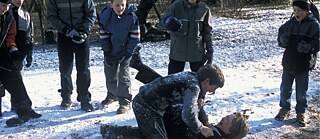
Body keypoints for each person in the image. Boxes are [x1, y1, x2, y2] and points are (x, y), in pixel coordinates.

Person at [129, 45, 248, 139]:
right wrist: (201, 127)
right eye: (214, 88)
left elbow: (165, 86)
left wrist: (205, 120)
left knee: (168, 86)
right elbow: (188, 114)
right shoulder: (194, 87)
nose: (213, 92)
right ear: (207, 81)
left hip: (151, 99)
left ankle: (138, 65)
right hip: (146, 107)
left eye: (227, 120)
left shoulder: (194, 78)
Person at [275, 0, 319, 127]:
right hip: (289, 62)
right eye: (294, 10)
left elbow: (318, 42)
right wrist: (282, 40)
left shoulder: (314, 26)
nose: (296, 13)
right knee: (285, 89)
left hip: (303, 64)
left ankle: (301, 111)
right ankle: (284, 108)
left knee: (301, 92)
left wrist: (309, 47)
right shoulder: (290, 24)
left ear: (307, 11)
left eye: (299, 10)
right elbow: (281, 33)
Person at [46, 0, 97, 112]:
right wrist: (65, 29)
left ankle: (84, 98)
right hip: (64, 36)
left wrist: (84, 31)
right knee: (65, 69)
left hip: (82, 34)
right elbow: (51, 16)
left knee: (83, 68)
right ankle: (66, 96)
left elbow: (91, 13)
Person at [0, 0, 41, 127]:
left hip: (3, 53)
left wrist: (14, 51)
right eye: (2, 6)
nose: (4, 9)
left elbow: (10, 38)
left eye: (7, 7)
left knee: (15, 78)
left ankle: (25, 110)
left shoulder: (9, 17)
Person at [99, 0, 140, 114]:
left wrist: (129, 53)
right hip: (111, 50)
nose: (120, 8)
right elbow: (104, 35)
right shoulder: (105, 16)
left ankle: (124, 100)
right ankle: (112, 95)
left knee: (123, 75)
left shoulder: (131, 17)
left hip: (126, 51)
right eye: (117, 5)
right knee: (110, 74)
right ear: (111, 4)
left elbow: (135, 37)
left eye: (123, 5)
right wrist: (106, 51)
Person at [160, 0, 214, 74]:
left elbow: (208, 32)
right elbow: (161, 24)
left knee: (199, 81)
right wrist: (167, 20)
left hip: (197, 53)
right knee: (172, 82)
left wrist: (210, 50)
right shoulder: (175, 6)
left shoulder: (204, 9)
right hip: (177, 52)